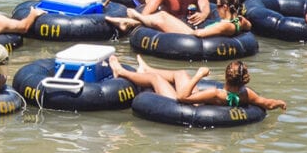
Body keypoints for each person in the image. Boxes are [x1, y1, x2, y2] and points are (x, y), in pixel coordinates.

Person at [108, 56, 286, 111]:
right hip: (198, 99)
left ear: (226, 77)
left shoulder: (216, 93)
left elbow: (182, 97)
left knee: (157, 80)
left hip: (184, 104)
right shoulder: (246, 94)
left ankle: (121, 71)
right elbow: (266, 103)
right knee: (180, 73)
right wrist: (279, 103)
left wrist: (198, 75)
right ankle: (146, 69)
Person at [111, 0, 248, 38]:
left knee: (163, 17)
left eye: (218, 6)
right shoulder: (240, 21)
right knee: (164, 18)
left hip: (190, 36)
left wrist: (200, 29)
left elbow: (199, 34)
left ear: (225, 7)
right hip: (194, 33)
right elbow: (249, 26)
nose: (217, 10)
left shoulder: (224, 26)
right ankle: (129, 22)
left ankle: (137, 17)